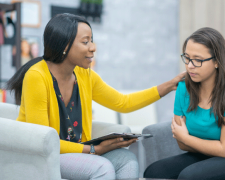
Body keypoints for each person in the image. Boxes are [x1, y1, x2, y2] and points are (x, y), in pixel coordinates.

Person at [6, 13, 185, 180]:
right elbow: (44, 141)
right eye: (85, 42)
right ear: (65, 46)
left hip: (80, 151)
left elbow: (123, 103)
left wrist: (169, 86)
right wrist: (94, 150)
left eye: (92, 40)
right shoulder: (36, 76)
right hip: (46, 157)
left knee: (128, 161)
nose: (93, 47)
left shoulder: (85, 75)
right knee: (101, 167)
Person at [144, 27, 225, 180]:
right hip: (208, 152)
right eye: (187, 58)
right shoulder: (183, 88)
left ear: (217, 61)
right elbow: (182, 144)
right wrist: (220, 148)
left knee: (189, 176)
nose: (190, 65)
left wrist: (187, 138)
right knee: (153, 172)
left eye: (198, 60)